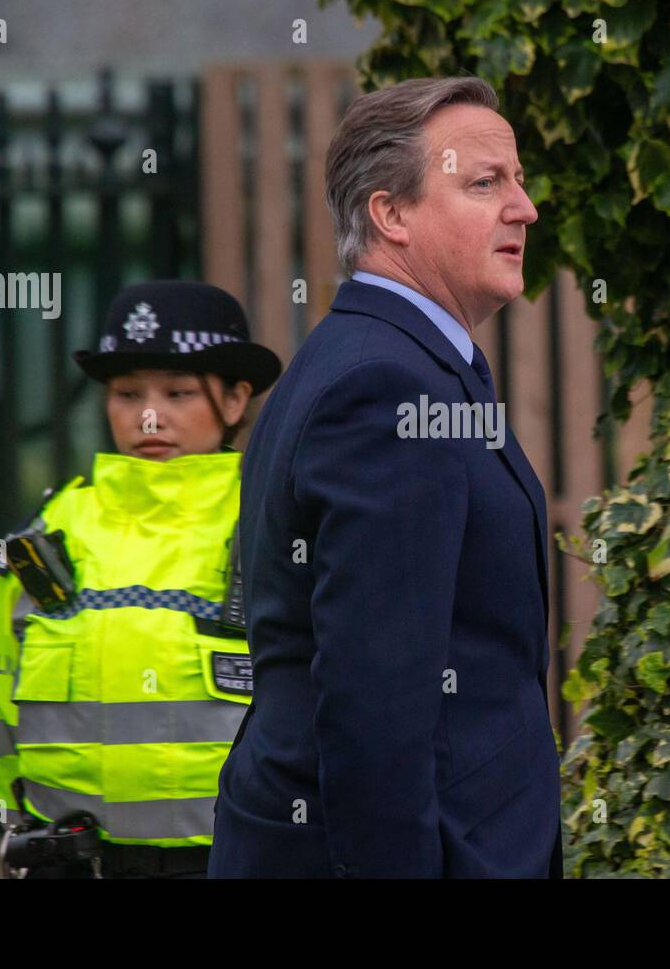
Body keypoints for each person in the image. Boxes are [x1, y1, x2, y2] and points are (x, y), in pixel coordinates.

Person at [209, 75, 562, 878]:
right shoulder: (388, 386)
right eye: (485, 182)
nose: (525, 207)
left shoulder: (397, 362)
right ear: (390, 213)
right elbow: (374, 708)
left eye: (518, 179)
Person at [0, 281, 280, 878]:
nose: (147, 415)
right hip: (75, 862)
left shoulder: (274, 525)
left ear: (236, 400)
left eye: (178, 392)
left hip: (234, 862)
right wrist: (15, 826)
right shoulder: (48, 534)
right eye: (126, 392)